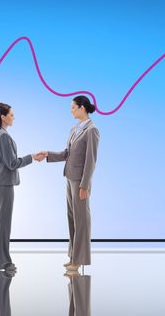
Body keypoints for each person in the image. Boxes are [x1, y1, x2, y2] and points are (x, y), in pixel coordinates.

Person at [0, 102, 46, 271]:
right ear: (3, 117)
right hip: (4, 184)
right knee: (3, 224)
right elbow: (12, 164)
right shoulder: (3, 136)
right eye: (11, 115)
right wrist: (32, 157)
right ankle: (3, 262)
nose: (14, 117)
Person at [45, 95, 100, 272]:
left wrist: (85, 185)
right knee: (72, 219)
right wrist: (47, 154)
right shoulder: (75, 129)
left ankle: (80, 259)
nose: (71, 110)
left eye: (73, 107)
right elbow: (66, 153)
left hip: (79, 182)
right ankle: (73, 257)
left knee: (82, 220)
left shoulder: (92, 130)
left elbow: (90, 161)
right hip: (69, 178)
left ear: (82, 108)